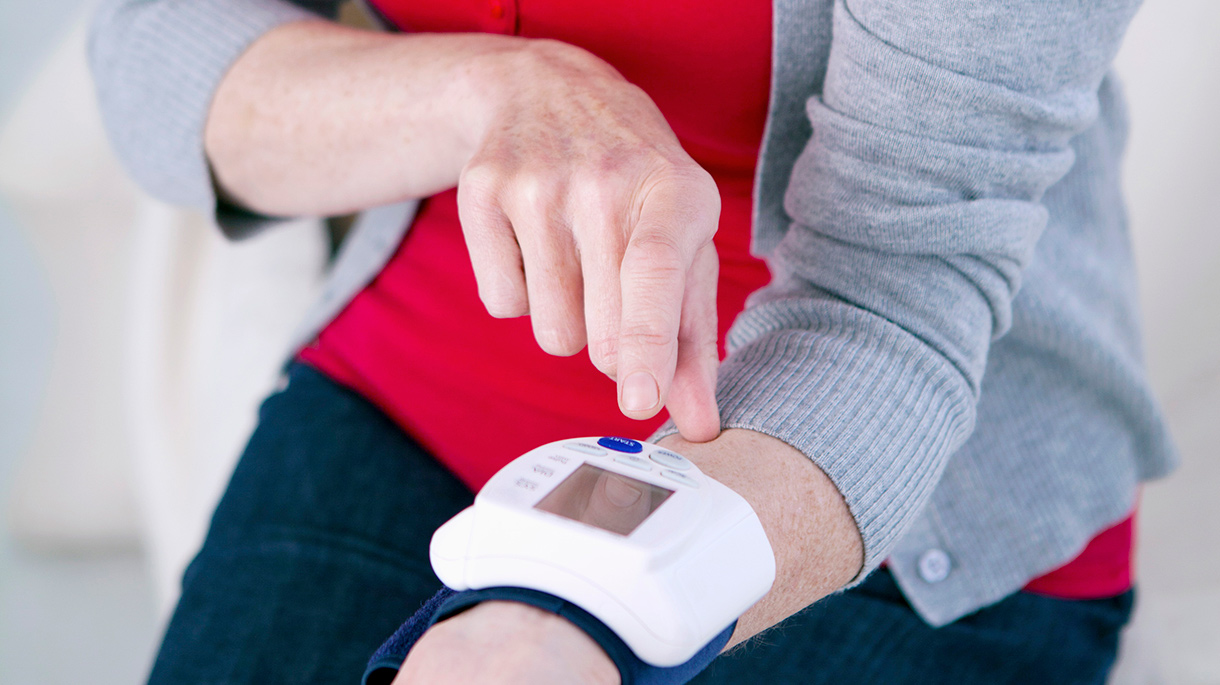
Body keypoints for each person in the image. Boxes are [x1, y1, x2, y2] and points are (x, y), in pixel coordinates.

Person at [89, 0, 1177, 682]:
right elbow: (151, 42)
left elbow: (897, 295)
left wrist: (579, 606)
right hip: (411, 384)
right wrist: (496, 91)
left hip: (864, 483)